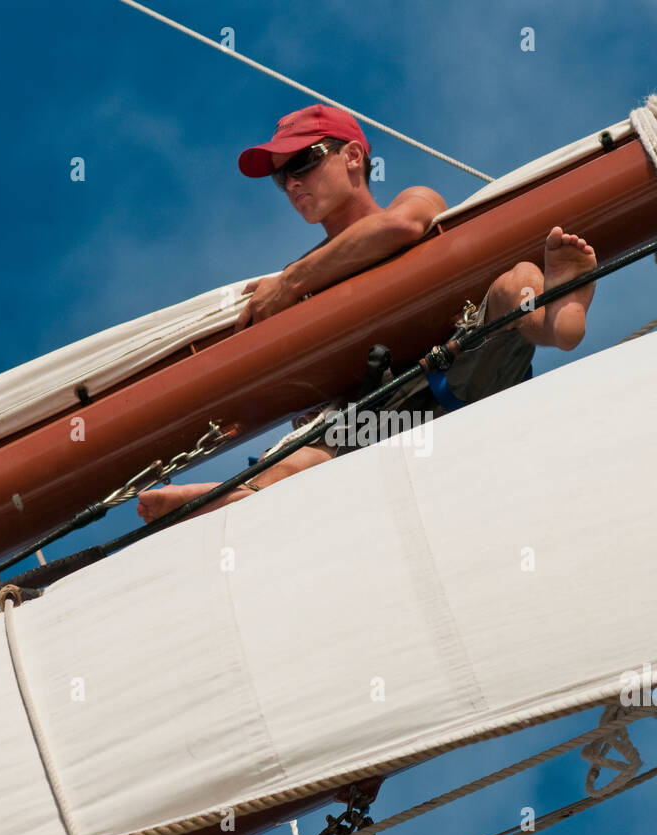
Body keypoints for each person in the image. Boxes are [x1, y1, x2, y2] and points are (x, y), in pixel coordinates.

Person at [137, 104, 596, 524]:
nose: (292, 183)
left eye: (302, 162)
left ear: (353, 156)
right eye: (282, 179)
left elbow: (400, 227)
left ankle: (557, 317)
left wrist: (291, 282)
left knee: (514, 282)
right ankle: (242, 492)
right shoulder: (300, 278)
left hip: (463, 367)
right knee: (319, 442)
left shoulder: (412, 202)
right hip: (385, 413)